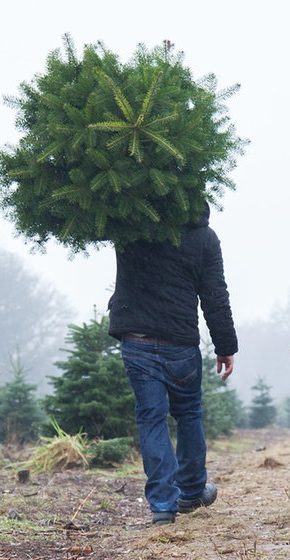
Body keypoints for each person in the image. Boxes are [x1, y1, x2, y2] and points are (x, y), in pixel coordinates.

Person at [108, 202, 237, 527]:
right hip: (180, 342)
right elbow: (214, 295)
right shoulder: (204, 237)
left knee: (151, 418)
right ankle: (192, 490)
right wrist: (225, 346)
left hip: (136, 339)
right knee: (188, 413)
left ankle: (163, 506)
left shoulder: (129, 223)